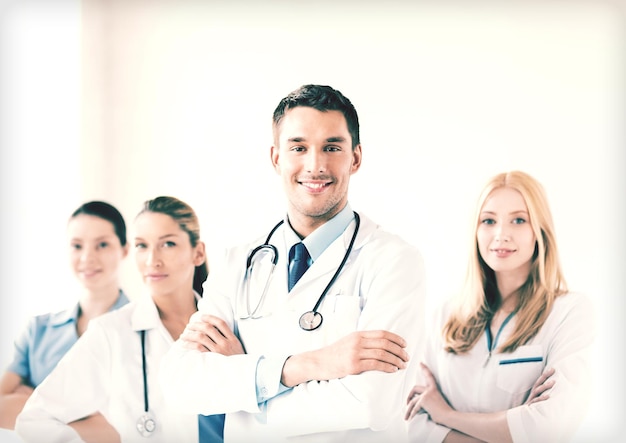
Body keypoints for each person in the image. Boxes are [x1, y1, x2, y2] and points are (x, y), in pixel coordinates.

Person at [159, 84, 427, 443]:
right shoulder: (237, 262)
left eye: (332, 148)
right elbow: (182, 383)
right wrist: (310, 364)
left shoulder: (394, 262)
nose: (315, 165)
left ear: (355, 158)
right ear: (276, 158)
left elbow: (371, 405)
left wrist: (246, 400)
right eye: (298, 148)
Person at [404, 170, 596, 443]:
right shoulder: (445, 314)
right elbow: (412, 421)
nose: (501, 234)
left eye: (519, 220)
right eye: (489, 221)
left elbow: (549, 427)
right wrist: (516, 424)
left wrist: (446, 415)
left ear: (539, 230)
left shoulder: (568, 312)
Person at [15, 196, 225, 443]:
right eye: (141, 245)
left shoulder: (226, 323)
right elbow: (33, 420)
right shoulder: (111, 333)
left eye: (167, 244)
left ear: (198, 253)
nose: (151, 261)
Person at [0, 201, 130, 434]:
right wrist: (89, 420)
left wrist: (38, 413)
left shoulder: (141, 329)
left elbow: (126, 432)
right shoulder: (38, 329)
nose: (87, 257)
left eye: (102, 245)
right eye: (77, 245)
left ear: (125, 250)